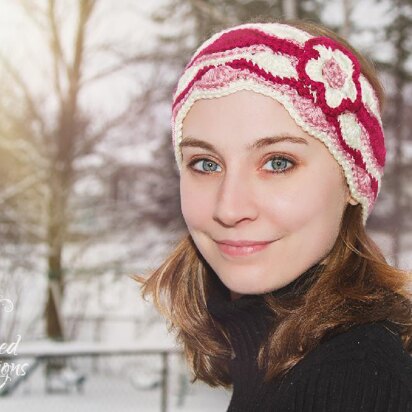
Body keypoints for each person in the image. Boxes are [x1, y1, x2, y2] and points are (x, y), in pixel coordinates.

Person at [132, 19, 412, 411]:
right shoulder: (275, 356)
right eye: (205, 164)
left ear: (352, 182)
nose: (229, 208)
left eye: (278, 162)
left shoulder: (353, 378)